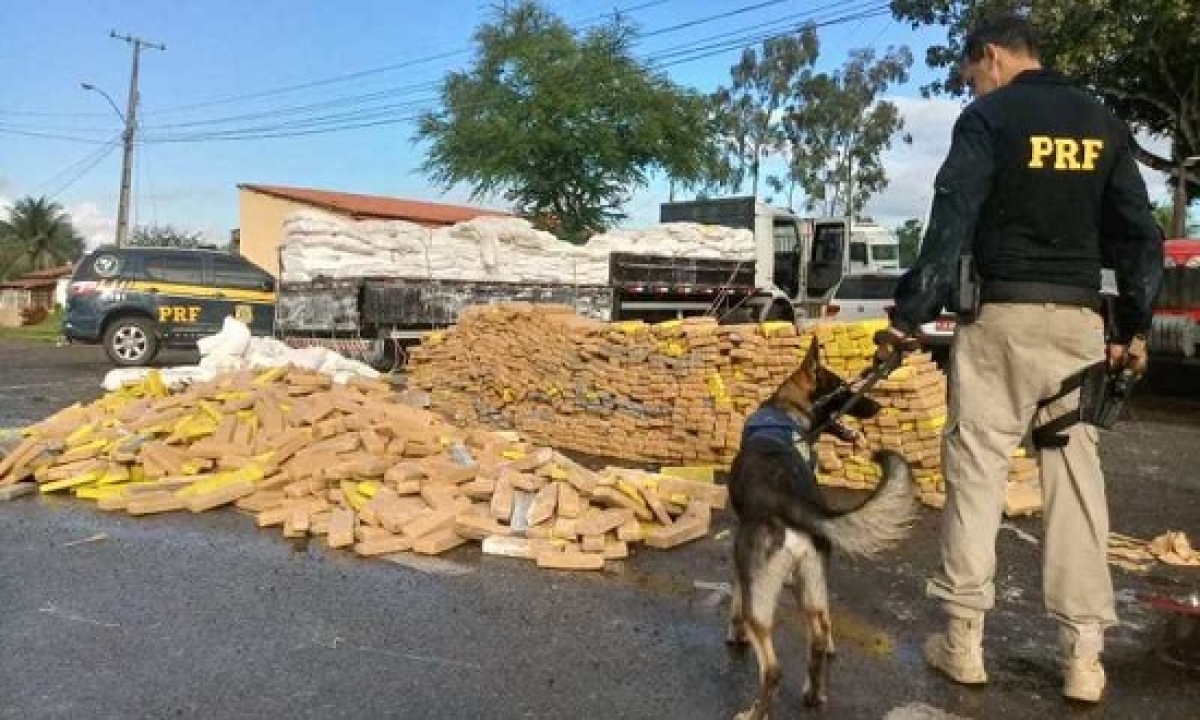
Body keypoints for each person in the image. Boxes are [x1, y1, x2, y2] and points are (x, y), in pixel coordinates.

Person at [873, 15, 1164, 704]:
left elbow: (951, 222)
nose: (972, 87)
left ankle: (964, 644)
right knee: (1075, 482)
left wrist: (909, 315)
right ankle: (1083, 659)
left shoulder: (990, 121)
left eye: (972, 74)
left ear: (992, 55)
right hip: (1076, 329)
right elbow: (1140, 237)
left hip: (999, 324)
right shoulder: (1102, 123)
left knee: (977, 472)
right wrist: (1135, 326)